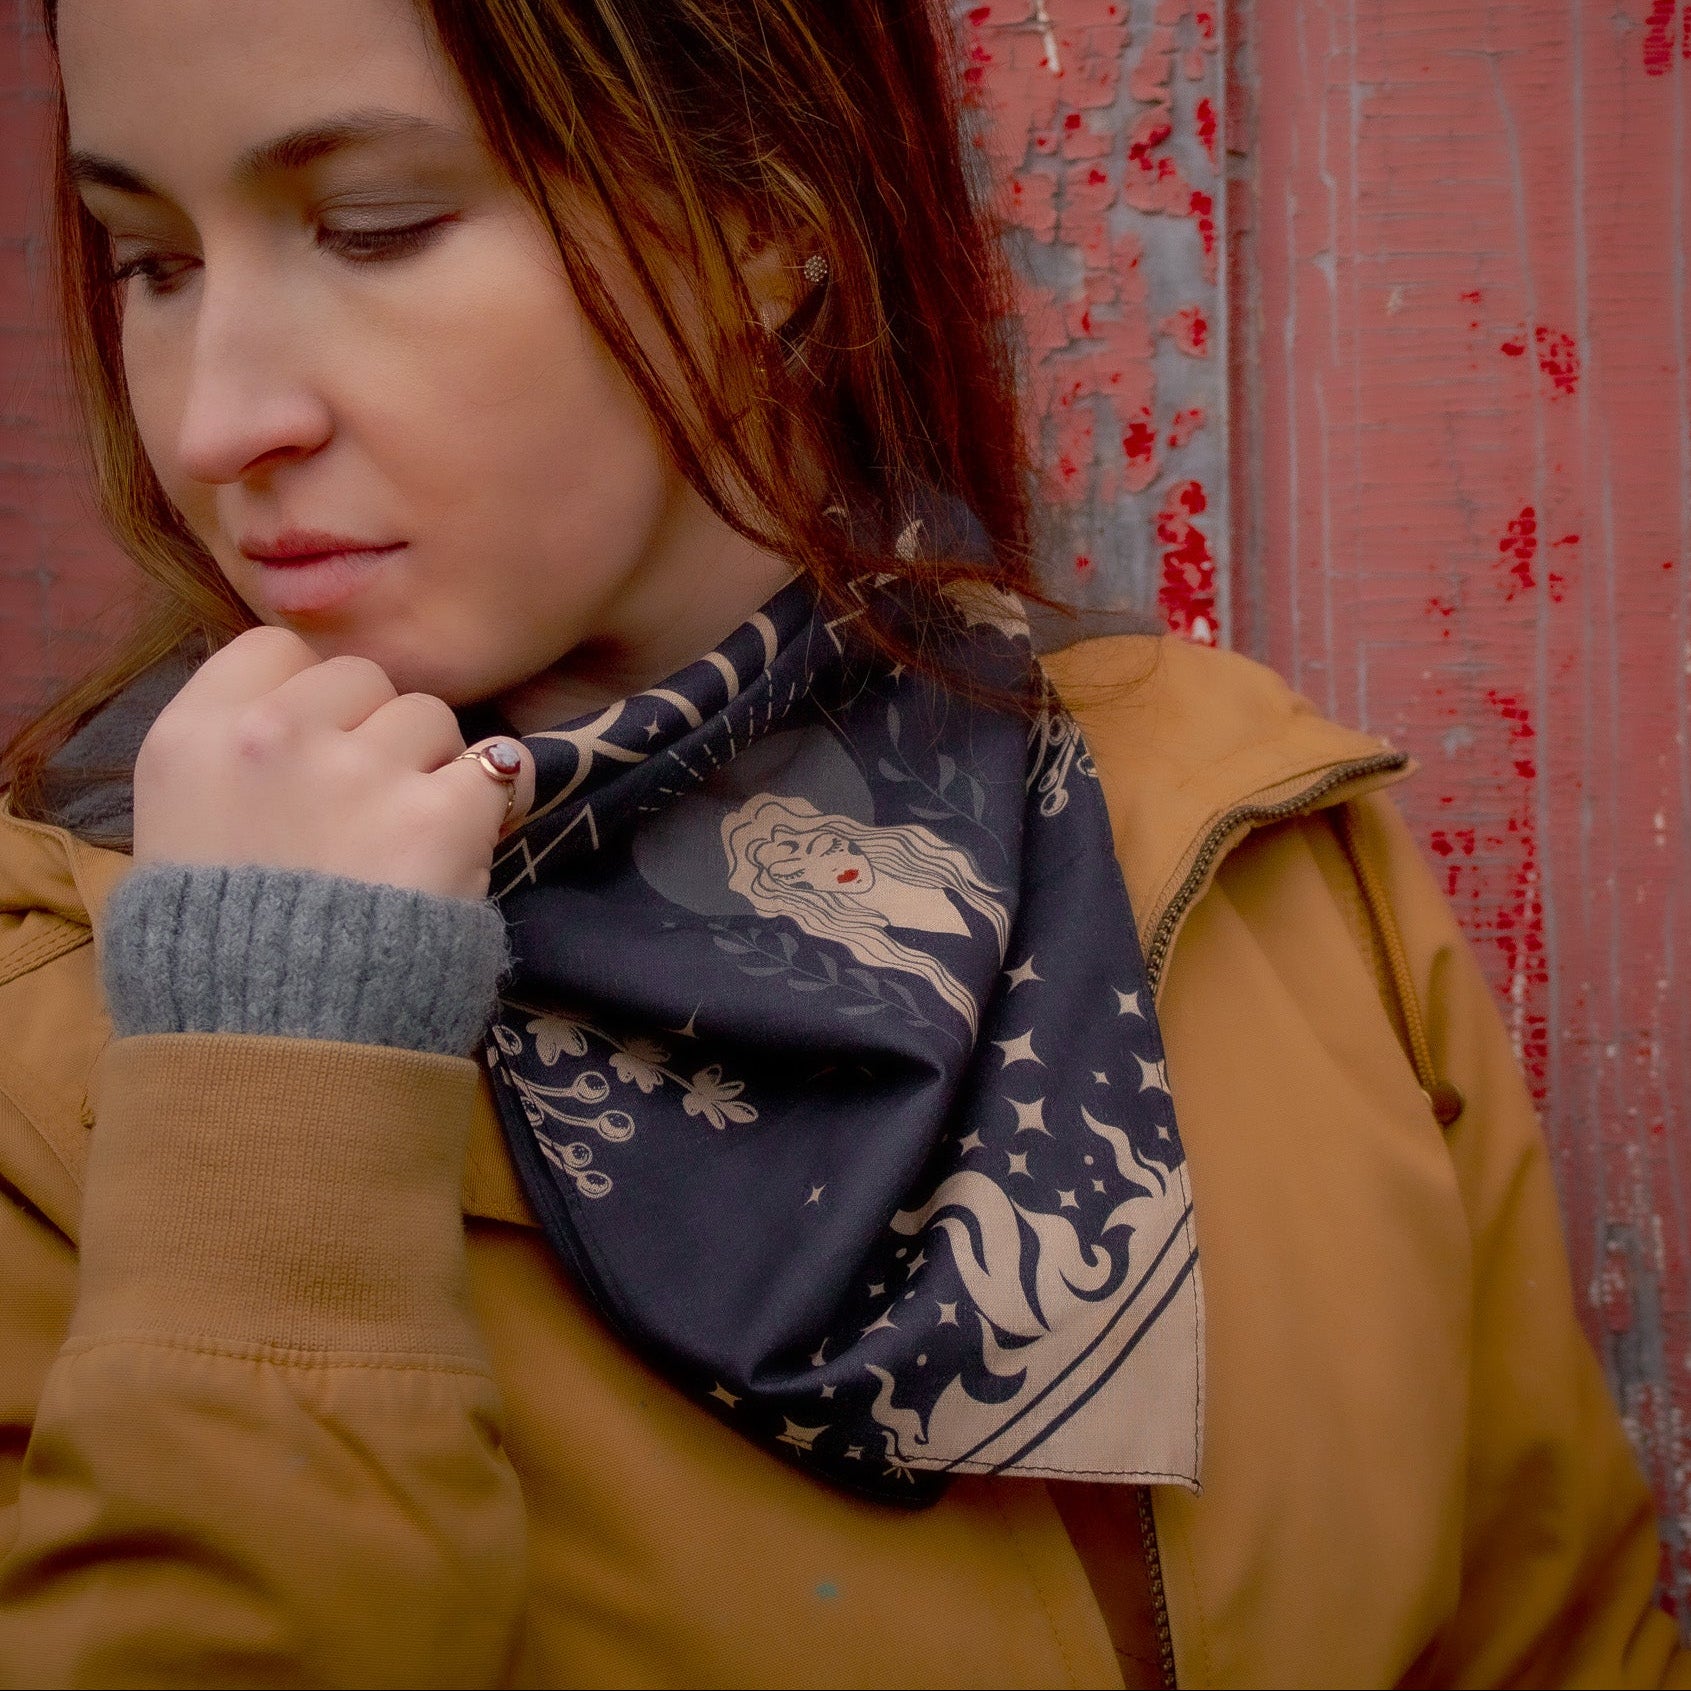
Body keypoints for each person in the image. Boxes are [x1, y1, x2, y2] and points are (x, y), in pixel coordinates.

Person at [0, 1, 1681, 1685]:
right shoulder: (63, 1026)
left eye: (374, 227)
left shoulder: (1246, 853)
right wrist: (268, 1096)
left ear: (768, 223)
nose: (217, 422)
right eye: (148, 260)